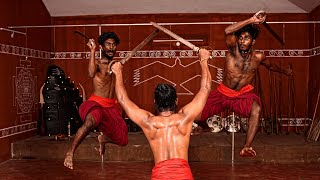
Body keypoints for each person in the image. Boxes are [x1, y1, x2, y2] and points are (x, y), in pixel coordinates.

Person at [195, 11, 292, 157]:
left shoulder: (258, 57)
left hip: (242, 95)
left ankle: (247, 147)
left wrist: (285, 71)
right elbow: (227, 30)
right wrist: (251, 20)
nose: (242, 41)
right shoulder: (233, 51)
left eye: (246, 38)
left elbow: (271, 66)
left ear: (253, 41)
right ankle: (201, 126)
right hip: (223, 93)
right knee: (195, 115)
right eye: (240, 38)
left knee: (256, 109)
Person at [111, 48, 212, 179]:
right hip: (183, 176)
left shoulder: (149, 122)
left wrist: (118, 72)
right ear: (176, 100)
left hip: (160, 176)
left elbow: (123, 100)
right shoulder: (184, 118)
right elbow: (205, 88)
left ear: (154, 102)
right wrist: (203, 60)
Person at [64, 32, 128, 169]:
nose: (111, 47)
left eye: (113, 44)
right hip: (97, 103)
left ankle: (104, 138)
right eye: (108, 44)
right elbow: (91, 73)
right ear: (102, 47)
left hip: (111, 106)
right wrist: (92, 51)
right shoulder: (98, 63)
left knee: (123, 139)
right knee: (89, 123)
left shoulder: (116, 65)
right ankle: (70, 153)